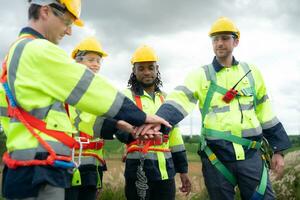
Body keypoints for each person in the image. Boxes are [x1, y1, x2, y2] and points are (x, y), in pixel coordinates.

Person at [0, 0, 169, 199]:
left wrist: (118, 126)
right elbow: (90, 89)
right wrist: (140, 116)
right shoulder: (38, 50)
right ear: (45, 11)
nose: (69, 31)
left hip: (33, 165)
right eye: (67, 22)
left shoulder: (19, 52)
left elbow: (77, 118)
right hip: (37, 169)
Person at [155, 17, 291, 200]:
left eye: (225, 38)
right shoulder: (201, 75)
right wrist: (156, 122)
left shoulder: (251, 72)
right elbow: (179, 99)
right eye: (215, 39)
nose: (219, 43)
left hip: (251, 155)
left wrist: (278, 150)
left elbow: (265, 111)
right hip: (216, 158)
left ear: (236, 41)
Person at [115, 45, 191, 200]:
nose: (147, 72)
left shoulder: (167, 99)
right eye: (141, 68)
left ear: (157, 69)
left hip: (165, 172)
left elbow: (176, 138)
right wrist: (135, 134)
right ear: (134, 71)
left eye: (151, 68)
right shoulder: (125, 96)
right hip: (138, 170)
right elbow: (118, 127)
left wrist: (183, 171)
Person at [65, 36, 110, 200]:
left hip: (92, 165)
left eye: (99, 61)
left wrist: (100, 172)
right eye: (91, 59)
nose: (96, 64)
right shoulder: (64, 87)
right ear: (77, 61)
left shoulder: (100, 91)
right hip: (67, 163)